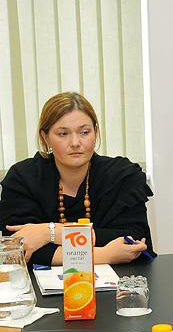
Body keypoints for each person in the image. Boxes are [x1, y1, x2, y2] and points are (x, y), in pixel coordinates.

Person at [0, 92, 154, 265]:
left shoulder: (122, 175)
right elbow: (18, 247)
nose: (75, 142)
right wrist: (104, 255)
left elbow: (134, 240)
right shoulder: (23, 177)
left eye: (84, 132)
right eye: (63, 134)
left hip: (123, 278)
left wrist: (49, 232)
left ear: (95, 132)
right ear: (46, 137)